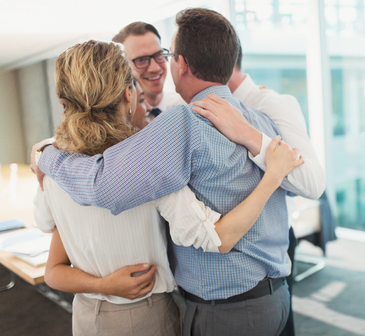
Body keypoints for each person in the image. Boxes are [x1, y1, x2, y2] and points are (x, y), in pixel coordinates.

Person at [33, 40, 303, 335]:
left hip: (85, 316)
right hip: (145, 316)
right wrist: (272, 176)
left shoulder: (53, 169)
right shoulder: (148, 170)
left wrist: (45, 153)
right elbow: (218, 238)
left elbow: (50, 251)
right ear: (128, 94)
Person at [192, 43, 326, 336]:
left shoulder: (271, 103)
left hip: (269, 252)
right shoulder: (193, 108)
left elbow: (313, 182)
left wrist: (247, 134)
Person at [112, 21, 184, 116]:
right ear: (123, 68)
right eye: (141, 60)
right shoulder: (121, 123)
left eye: (158, 55)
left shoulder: (186, 106)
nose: (155, 68)